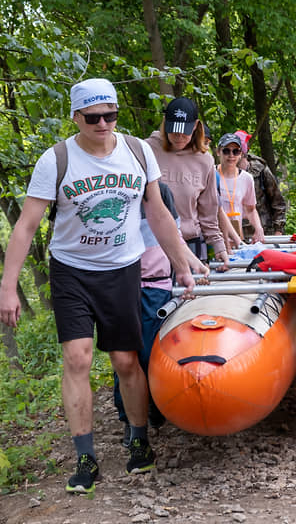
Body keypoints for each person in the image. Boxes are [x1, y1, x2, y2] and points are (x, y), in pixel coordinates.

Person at [0, 78, 206, 494]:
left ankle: (139, 442)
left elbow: (159, 215)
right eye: (94, 117)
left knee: (126, 361)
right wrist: (8, 287)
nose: (104, 124)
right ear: (76, 117)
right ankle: (85, 457)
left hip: (122, 269)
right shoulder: (55, 160)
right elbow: (26, 225)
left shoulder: (138, 151)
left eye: (111, 115)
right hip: (72, 270)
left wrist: (182, 264)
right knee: (77, 359)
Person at [112, 181, 179, 445]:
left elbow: (173, 235)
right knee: (124, 357)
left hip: (156, 283)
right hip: (119, 283)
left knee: (151, 352)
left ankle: (153, 405)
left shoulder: (161, 192)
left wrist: (181, 271)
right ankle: (127, 418)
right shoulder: (113, 194)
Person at [145, 97, 228, 266]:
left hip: (190, 243)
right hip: (153, 243)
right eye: (174, 130)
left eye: (185, 131)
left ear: (196, 126)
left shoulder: (205, 160)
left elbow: (208, 210)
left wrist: (219, 246)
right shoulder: (147, 150)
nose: (179, 136)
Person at [233, 130, 288, 239]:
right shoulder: (222, 173)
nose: (232, 154)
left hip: (264, 234)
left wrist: (278, 232)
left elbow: (278, 203)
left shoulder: (260, 169)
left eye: (236, 150)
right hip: (236, 235)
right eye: (228, 150)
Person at [216, 133, 265, 247]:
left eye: (236, 151)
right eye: (226, 151)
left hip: (237, 236)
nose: (231, 155)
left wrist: (258, 228)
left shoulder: (247, 178)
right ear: (218, 152)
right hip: (215, 236)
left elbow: (251, 209)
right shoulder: (211, 174)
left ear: (241, 154)